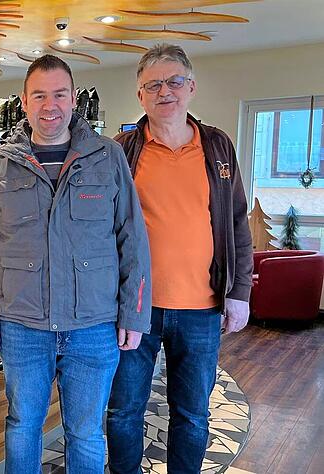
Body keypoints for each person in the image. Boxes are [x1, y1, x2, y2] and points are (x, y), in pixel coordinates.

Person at [0, 55, 152, 473]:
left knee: (86, 433)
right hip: (21, 325)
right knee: (23, 425)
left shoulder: (107, 157)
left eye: (60, 94)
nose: (51, 105)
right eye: (40, 95)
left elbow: (133, 241)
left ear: (74, 99)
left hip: (94, 325)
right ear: (24, 102)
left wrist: (134, 315)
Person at [106, 44, 253, 474]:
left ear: (190, 87)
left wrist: (239, 292)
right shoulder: (123, 150)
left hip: (202, 309)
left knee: (192, 415)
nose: (163, 91)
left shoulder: (218, 147)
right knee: (123, 412)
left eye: (173, 82)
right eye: (152, 85)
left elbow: (238, 224)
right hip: (135, 310)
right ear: (140, 95)